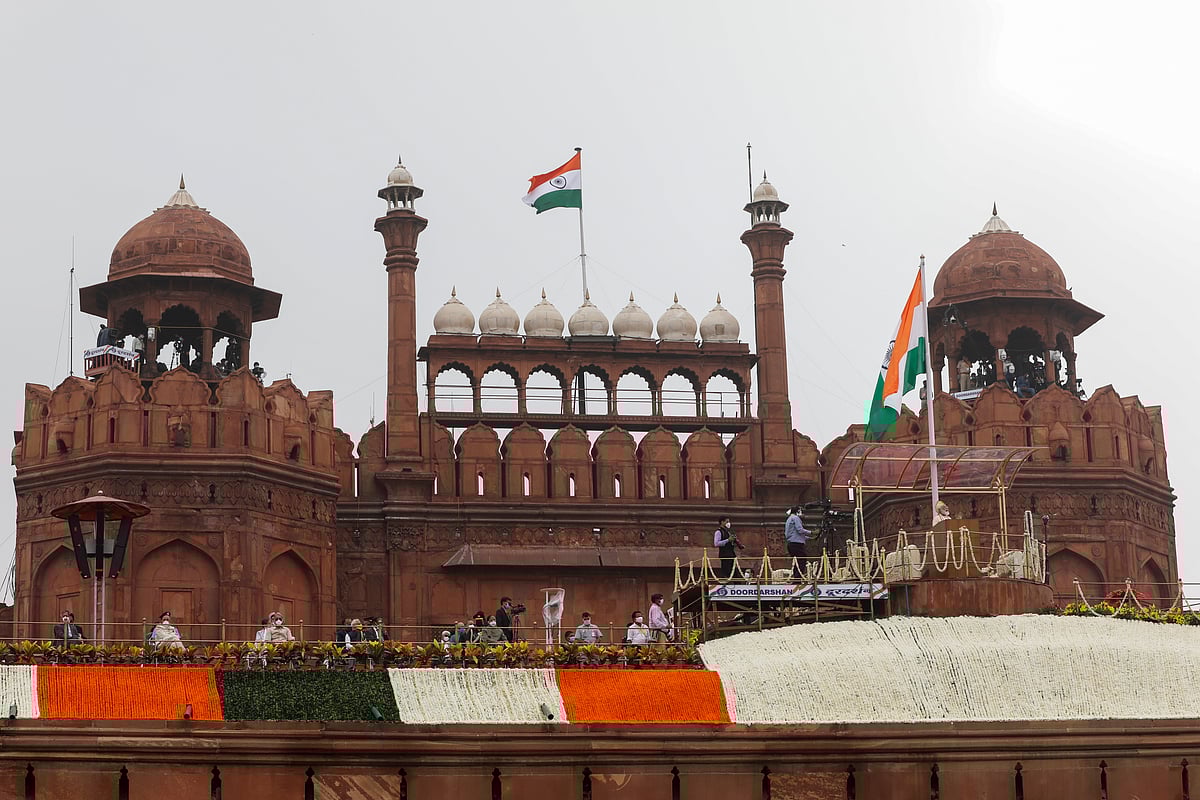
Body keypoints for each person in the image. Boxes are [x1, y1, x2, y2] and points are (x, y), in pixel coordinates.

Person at [785, 506, 813, 575]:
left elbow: (795, 534)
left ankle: (796, 578)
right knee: (802, 560)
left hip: (791, 544)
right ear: (798, 512)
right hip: (797, 544)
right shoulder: (795, 518)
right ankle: (798, 578)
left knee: (797, 562)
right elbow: (800, 530)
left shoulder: (789, 519)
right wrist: (811, 532)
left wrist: (808, 538)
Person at [713, 516, 742, 581]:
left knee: (734, 571)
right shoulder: (718, 532)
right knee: (726, 572)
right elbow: (716, 543)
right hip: (725, 555)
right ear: (722, 522)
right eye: (727, 521)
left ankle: (737, 584)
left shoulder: (728, 532)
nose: (728, 523)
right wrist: (728, 540)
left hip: (731, 554)